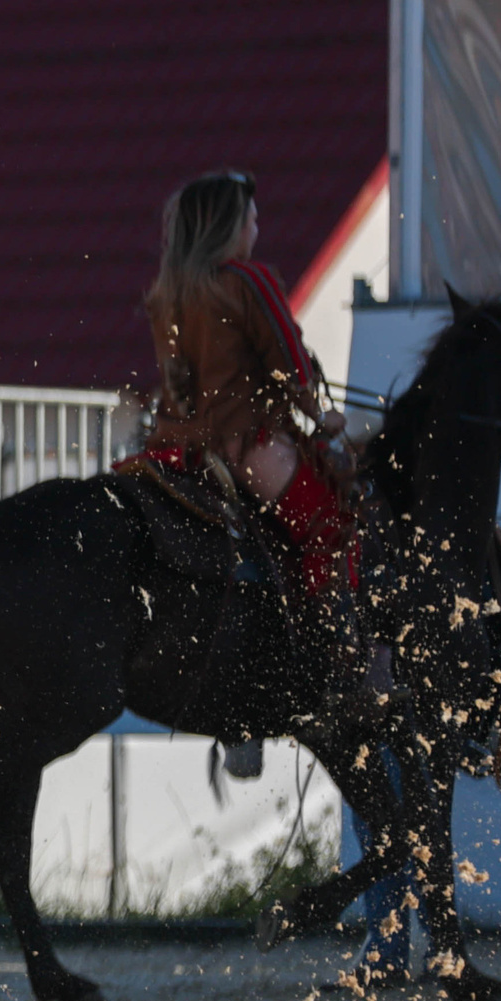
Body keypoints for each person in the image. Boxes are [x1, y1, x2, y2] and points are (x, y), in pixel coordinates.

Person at [143, 170, 353, 782]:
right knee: (331, 522)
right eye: (251, 218)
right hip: (243, 445)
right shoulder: (250, 281)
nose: (258, 227)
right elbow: (289, 364)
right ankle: (339, 660)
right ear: (229, 228)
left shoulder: (169, 291)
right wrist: (323, 416)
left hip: (170, 451)